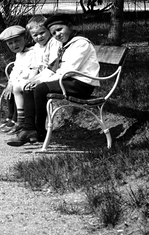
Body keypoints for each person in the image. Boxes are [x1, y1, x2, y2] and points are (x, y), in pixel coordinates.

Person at [8, 14, 101, 147]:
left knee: (40, 88)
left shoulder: (80, 43)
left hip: (82, 83)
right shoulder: (66, 44)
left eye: (60, 30)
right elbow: (53, 68)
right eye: (54, 33)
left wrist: (41, 82)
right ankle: (29, 129)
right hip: (67, 81)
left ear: (69, 26)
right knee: (29, 87)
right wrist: (35, 79)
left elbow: (68, 71)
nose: (57, 34)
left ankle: (39, 132)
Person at [0, 17, 58, 133]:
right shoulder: (22, 53)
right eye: (10, 43)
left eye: (17, 41)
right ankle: (13, 118)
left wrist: (28, 80)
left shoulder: (33, 51)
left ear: (24, 38)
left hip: (40, 77)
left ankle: (19, 120)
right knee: (13, 87)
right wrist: (10, 83)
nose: (14, 45)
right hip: (33, 78)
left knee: (18, 87)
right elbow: (15, 70)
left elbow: (35, 68)